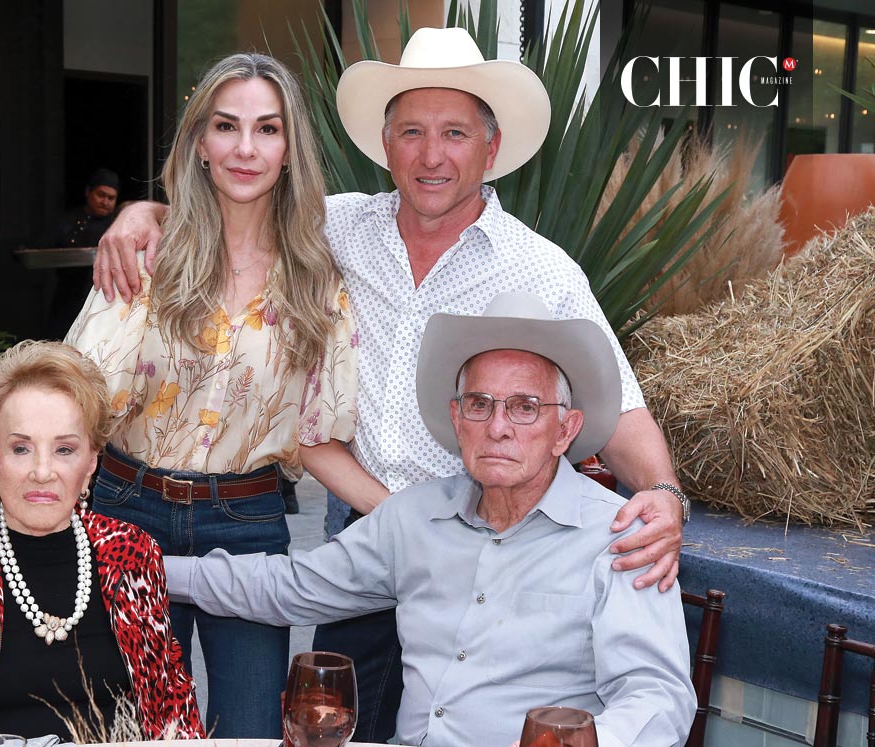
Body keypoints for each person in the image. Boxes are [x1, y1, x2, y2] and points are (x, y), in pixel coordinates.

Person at [92, 28, 689, 741]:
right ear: (385, 142)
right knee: (345, 719)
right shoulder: (332, 227)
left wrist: (662, 494)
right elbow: (231, 210)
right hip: (370, 534)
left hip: (492, 528)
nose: (431, 155)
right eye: (411, 131)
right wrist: (139, 215)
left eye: (454, 133)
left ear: (490, 149)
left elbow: (619, 409)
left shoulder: (543, 270)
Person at [0, 53, 358, 738]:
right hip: (128, 514)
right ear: (199, 145)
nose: (246, 147)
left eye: (267, 129)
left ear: (290, 148)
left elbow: (313, 435)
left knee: (249, 730)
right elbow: (71, 395)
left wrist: (422, 519)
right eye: (226, 126)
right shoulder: (144, 251)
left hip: (247, 526)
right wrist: (8, 483)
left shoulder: (315, 277)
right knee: (128, 728)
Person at [165, 292, 697, 747]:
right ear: (456, 419)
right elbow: (289, 587)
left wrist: (583, 740)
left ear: (566, 430)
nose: (498, 427)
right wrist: (147, 567)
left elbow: (658, 696)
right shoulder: (414, 518)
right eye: (480, 404)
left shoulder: (622, 535)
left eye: (525, 407)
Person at [0, 341, 204, 740]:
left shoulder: (131, 552)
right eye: (21, 448)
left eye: (64, 449)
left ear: (92, 461)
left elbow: (173, 704)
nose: (42, 472)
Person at [44, 169, 121, 339]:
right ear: (88, 192)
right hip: (69, 297)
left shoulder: (120, 225)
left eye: (111, 198)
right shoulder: (67, 222)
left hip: (105, 298)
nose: (105, 202)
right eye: (101, 195)